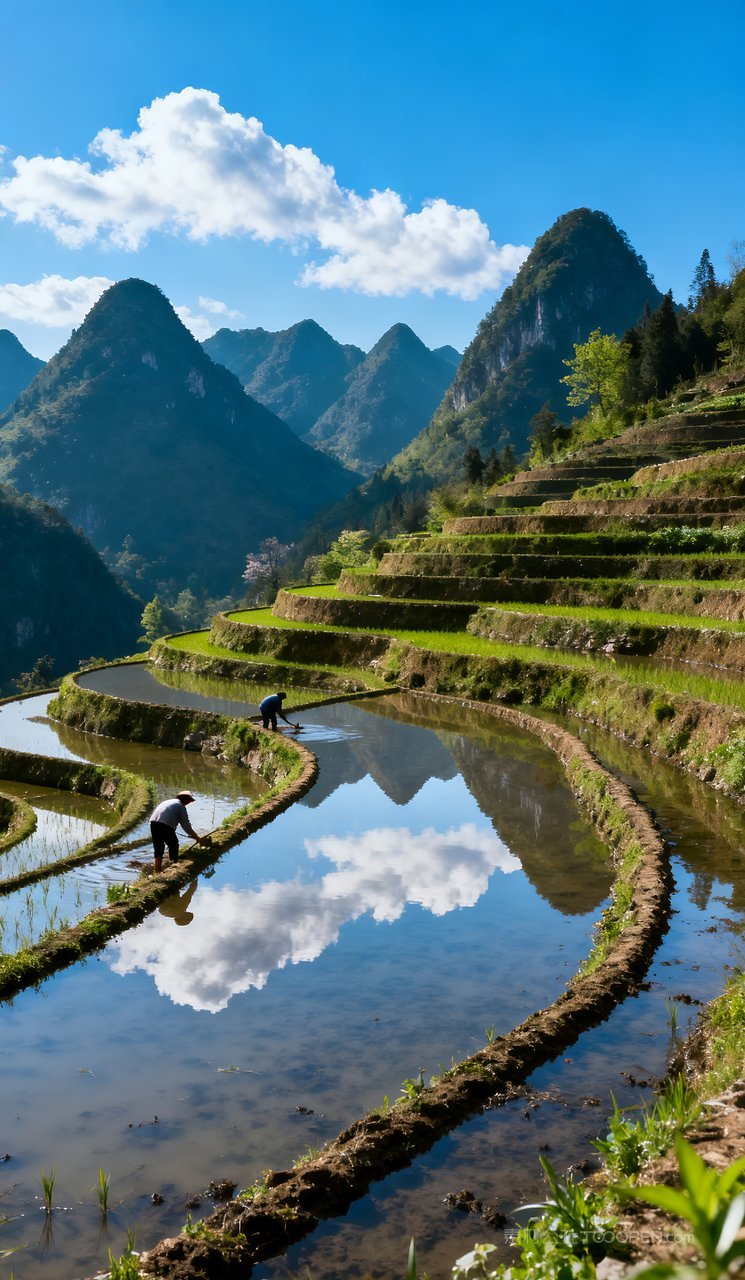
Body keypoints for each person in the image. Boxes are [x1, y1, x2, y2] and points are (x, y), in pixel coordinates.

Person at [150, 791, 204, 873]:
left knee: (158, 847)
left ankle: (157, 870)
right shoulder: (181, 807)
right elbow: (186, 826)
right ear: (186, 800)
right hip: (165, 825)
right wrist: (197, 837)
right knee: (174, 845)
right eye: (189, 801)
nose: (189, 803)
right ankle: (173, 865)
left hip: (153, 823)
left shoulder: (168, 802)